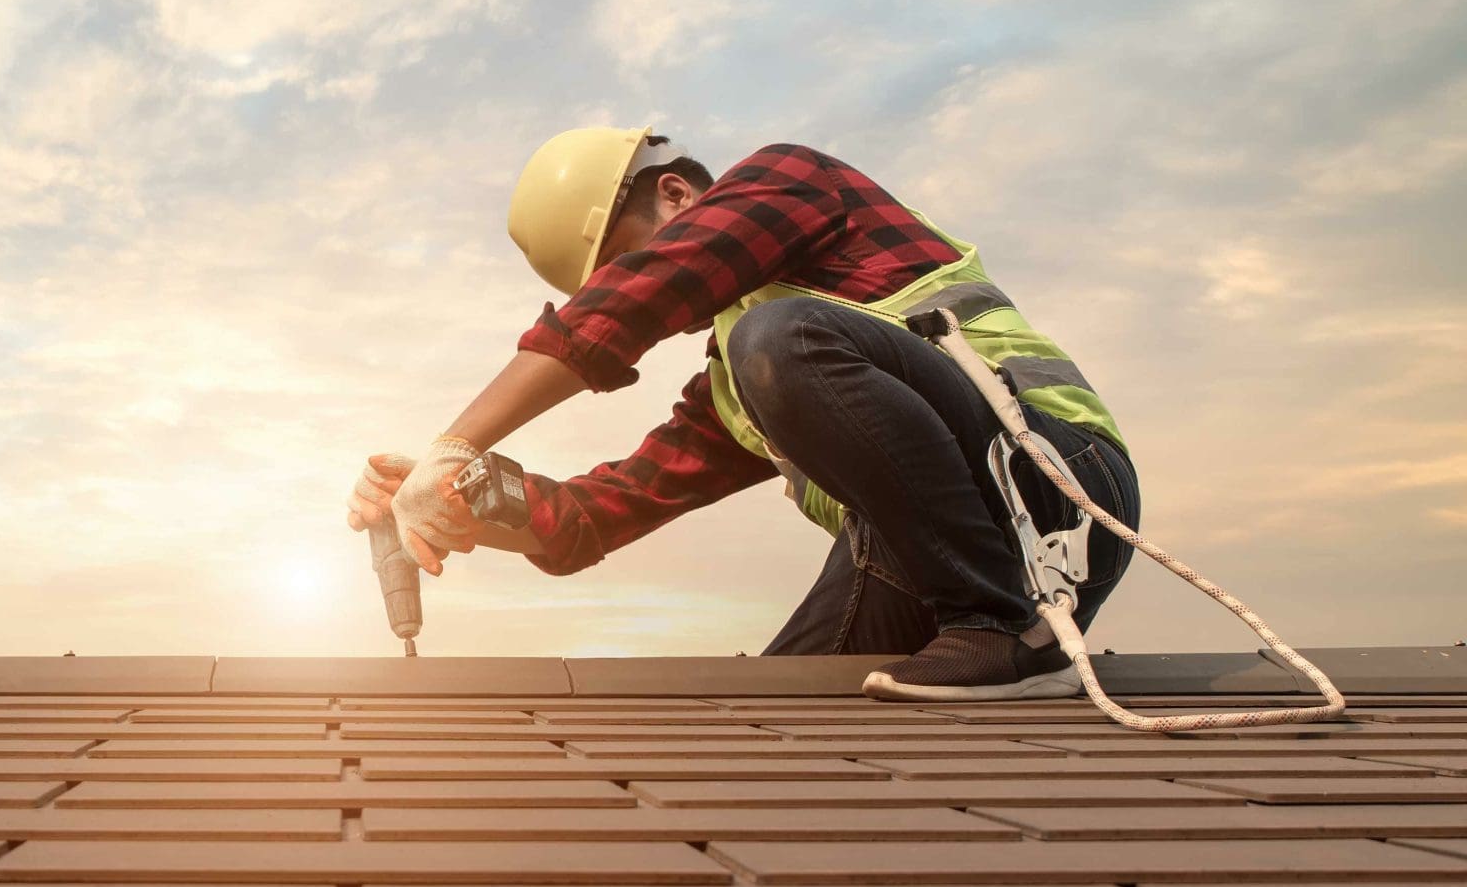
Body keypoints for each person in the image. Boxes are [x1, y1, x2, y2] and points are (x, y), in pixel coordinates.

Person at [346, 127, 1141, 701]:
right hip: (919, 558)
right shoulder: (745, 383)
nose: (644, 283)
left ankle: (1004, 631)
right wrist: (462, 496)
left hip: (1056, 484)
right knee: (774, 712)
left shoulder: (791, 183)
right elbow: (595, 516)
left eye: (631, 259)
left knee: (780, 337)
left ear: (677, 192)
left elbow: (647, 296)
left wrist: (456, 440)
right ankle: (986, 639)